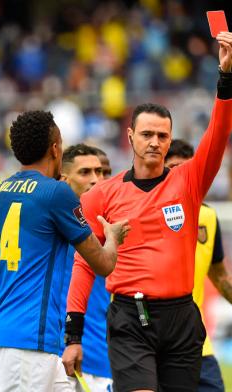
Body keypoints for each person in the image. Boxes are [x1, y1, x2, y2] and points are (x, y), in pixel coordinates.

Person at [62, 32, 232, 392]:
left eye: (162, 135)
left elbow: (217, 136)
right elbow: (83, 264)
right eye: (147, 134)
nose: (155, 141)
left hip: (181, 317)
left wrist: (226, 79)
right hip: (130, 317)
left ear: (171, 140)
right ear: (130, 136)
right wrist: (73, 334)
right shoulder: (102, 196)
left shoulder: (188, 182)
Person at [0, 110, 130, 392]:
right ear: (55, 148)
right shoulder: (55, 193)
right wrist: (113, 237)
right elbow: (104, 264)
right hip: (29, 342)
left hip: (23, 339)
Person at [165, 139, 232, 392]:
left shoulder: (208, 216)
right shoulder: (143, 214)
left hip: (197, 341)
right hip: (155, 342)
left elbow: (220, 276)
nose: (180, 176)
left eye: (186, 168)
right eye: (173, 168)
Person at [60, 143, 113, 391]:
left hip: (102, 356)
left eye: (104, 173)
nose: (98, 180)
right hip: (57, 353)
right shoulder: (49, 223)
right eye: (87, 173)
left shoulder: (115, 228)